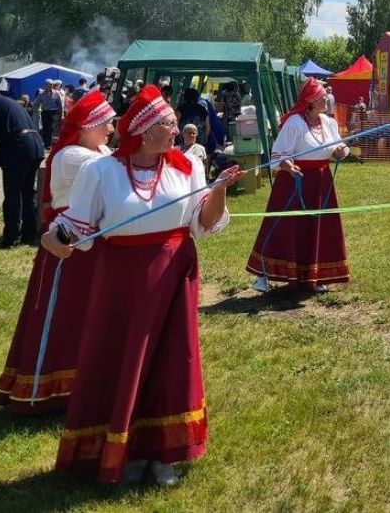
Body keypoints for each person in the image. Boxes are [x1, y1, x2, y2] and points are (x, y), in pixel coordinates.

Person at [41, 85, 244, 485]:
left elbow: (203, 224)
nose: (178, 129)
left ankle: (164, 453)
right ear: (146, 130)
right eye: (169, 124)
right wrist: (55, 241)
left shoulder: (188, 168)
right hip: (122, 280)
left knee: (171, 362)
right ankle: (125, 447)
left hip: (174, 276)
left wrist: (218, 190)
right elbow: (72, 228)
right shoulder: (101, 171)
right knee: (121, 358)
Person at [0, 91, 115, 413]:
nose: (111, 129)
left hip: (94, 244)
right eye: (106, 123)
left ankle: (91, 387)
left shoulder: (99, 149)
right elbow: (113, 171)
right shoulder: (71, 155)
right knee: (67, 317)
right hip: (69, 247)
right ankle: (54, 391)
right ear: (88, 125)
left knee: (94, 316)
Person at [246, 78, 350, 292]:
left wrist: (341, 151)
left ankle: (314, 277)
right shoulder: (294, 123)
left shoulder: (328, 122)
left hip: (321, 183)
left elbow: (338, 145)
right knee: (282, 229)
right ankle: (263, 276)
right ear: (312, 100)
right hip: (294, 183)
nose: (326, 98)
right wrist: (287, 163)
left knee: (317, 229)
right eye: (323, 96)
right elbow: (278, 153)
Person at [0, 89, 46, 248]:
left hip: (19, 148)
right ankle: (29, 234)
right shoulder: (6, 102)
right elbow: (6, 137)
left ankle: (11, 238)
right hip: (34, 146)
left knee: (12, 194)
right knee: (27, 193)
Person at [34, 79, 64, 146]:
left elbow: (60, 104)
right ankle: (46, 143)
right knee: (45, 128)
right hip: (45, 112)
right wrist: (35, 111)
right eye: (49, 85)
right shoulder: (41, 94)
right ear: (45, 85)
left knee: (52, 128)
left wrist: (61, 114)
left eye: (51, 85)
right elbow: (36, 104)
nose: (51, 86)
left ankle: (50, 144)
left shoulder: (56, 93)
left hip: (54, 112)